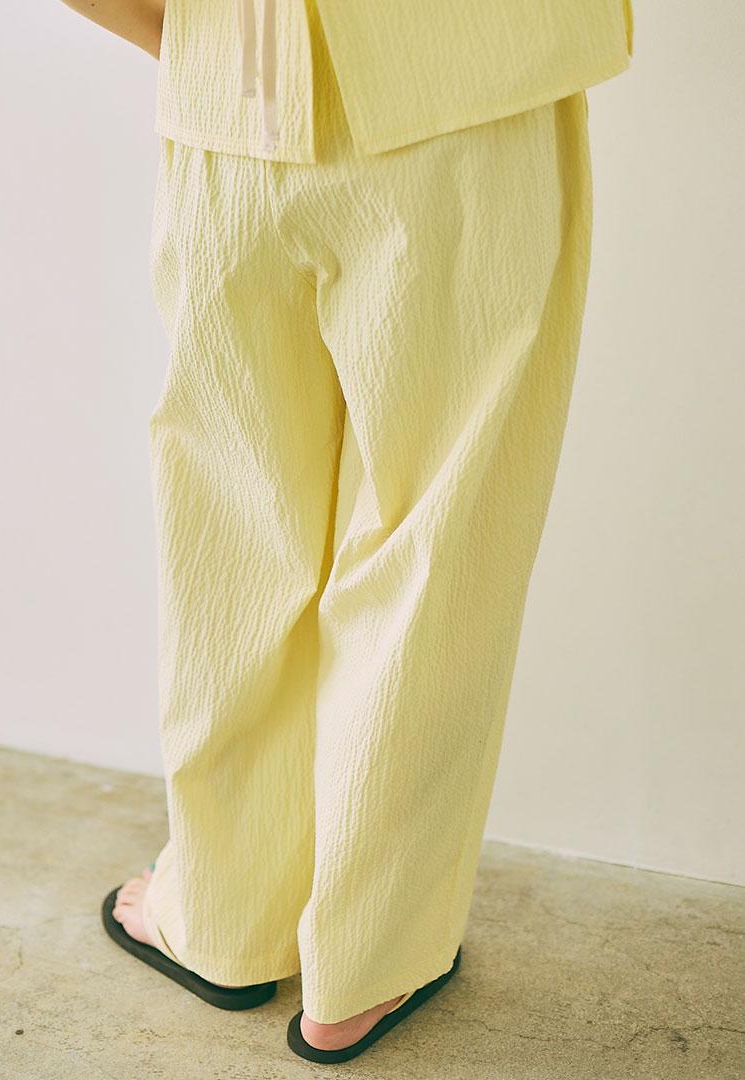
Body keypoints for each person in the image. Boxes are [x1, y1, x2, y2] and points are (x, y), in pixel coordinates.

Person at [59, 0, 635, 1064]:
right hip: (465, 94)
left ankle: (222, 921)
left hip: (233, 102)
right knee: (431, 552)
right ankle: (368, 961)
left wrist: (211, 42)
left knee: (233, 540)